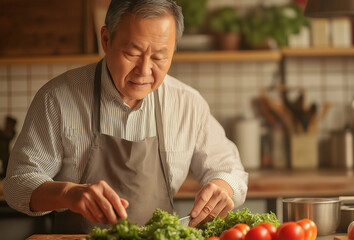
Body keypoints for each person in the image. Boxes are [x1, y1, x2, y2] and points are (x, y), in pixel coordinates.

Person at [4, 0, 248, 234]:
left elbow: (230, 170)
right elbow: (17, 185)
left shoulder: (187, 103)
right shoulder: (57, 98)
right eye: (132, 53)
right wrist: (69, 193)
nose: (144, 71)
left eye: (159, 57)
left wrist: (221, 187)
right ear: (106, 39)